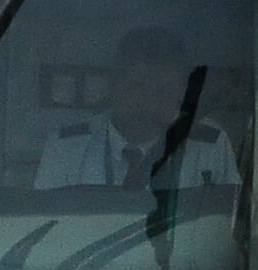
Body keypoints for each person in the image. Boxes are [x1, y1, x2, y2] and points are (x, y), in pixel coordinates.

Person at [38, 25, 239, 193]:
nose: (149, 103)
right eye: (137, 87)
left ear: (181, 93)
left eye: (164, 91)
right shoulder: (66, 150)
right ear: (114, 85)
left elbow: (231, 228)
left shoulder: (210, 147)